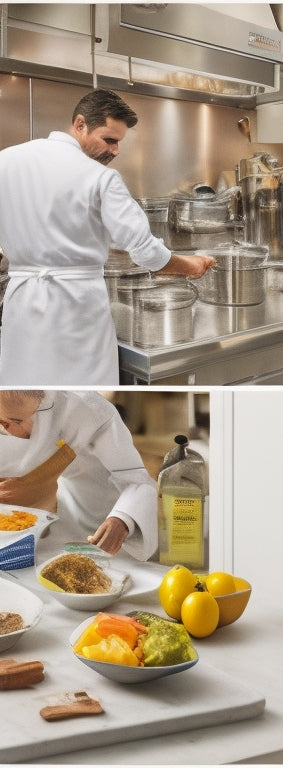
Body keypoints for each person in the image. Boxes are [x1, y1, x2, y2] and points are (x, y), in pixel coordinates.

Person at [0, 88, 216, 385]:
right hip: (76, 307)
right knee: (84, 397)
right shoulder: (99, 176)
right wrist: (190, 265)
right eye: (109, 139)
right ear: (80, 124)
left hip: (22, 301)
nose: (115, 151)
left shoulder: (6, 161)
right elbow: (145, 251)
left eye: (119, 143)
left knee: (24, 391)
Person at [0, 390, 158, 560]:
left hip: (90, 530)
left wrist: (123, 519)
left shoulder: (84, 408)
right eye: (14, 421)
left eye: (34, 414)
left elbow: (134, 476)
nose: (31, 427)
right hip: (28, 541)